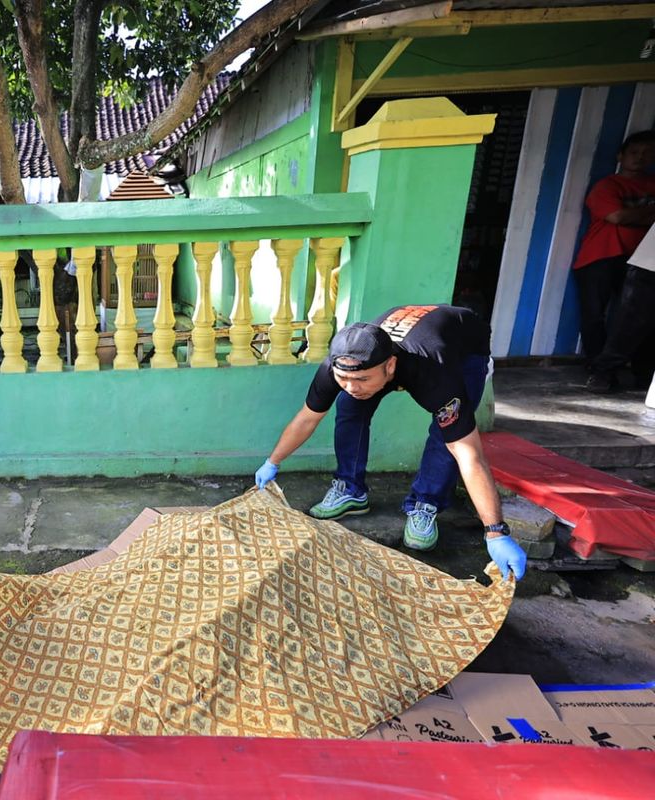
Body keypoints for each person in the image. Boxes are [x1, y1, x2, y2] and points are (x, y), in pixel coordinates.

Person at [252, 304, 526, 581]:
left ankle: (425, 503)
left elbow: (468, 454)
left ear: (390, 366)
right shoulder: (339, 365)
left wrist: (495, 532)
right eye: (343, 378)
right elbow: (306, 419)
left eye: (360, 379)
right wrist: (271, 462)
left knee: (447, 435)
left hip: (465, 347)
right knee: (350, 405)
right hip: (408, 334)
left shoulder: (435, 372)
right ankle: (350, 489)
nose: (351, 385)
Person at [572, 130, 655, 373]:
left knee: (640, 317)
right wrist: (647, 214)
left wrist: (634, 216)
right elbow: (616, 216)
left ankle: (642, 372)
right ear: (620, 156)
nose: (639, 158)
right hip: (600, 256)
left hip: (640, 260)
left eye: (647, 153)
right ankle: (598, 370)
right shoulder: (607, 186)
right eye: (634, 153)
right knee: (594, 315)